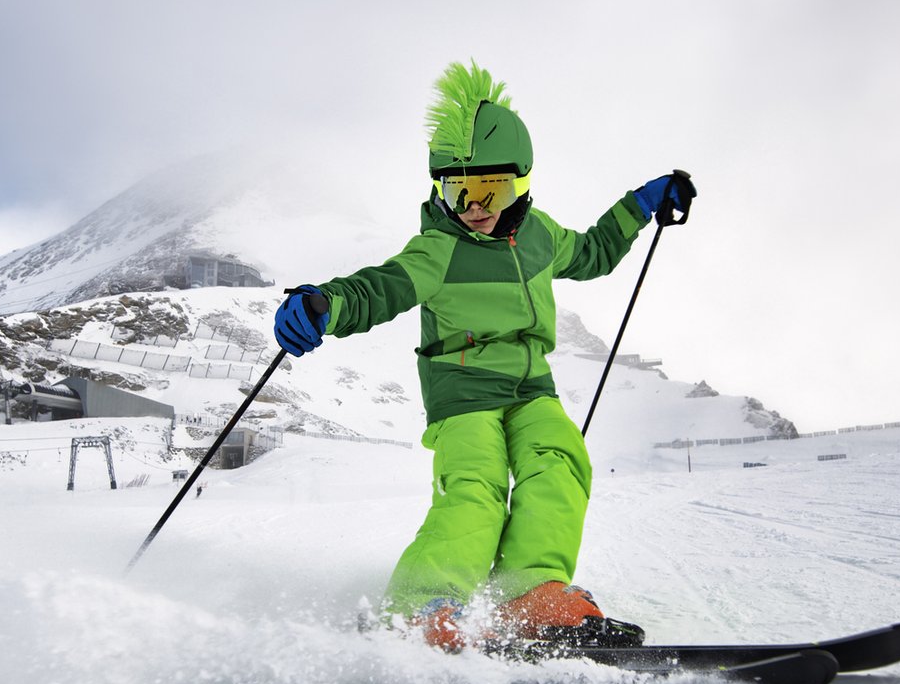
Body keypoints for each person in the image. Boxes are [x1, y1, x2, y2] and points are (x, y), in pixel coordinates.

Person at [272, 61, 694, 651]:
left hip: (531, 386)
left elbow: (594, 253)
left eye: (489, 189)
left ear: (519, 183)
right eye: (457, 189)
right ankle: (419, 607)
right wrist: (325, 304)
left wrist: (643, 203)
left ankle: (533, 595)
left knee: (561, 462)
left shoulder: (541, 235)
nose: (473, 205)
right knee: (477, 484)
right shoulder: (438, 248)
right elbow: (382, 286)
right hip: (462, 387)